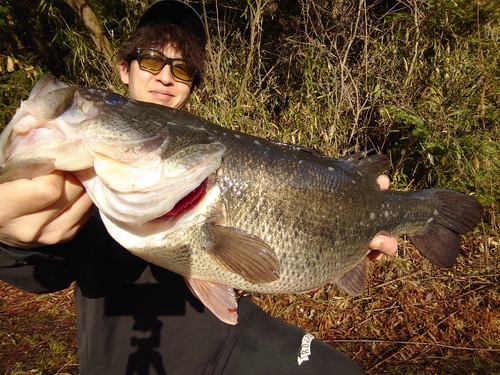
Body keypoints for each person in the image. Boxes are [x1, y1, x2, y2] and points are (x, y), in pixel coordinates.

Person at [0, 1, 397, 374]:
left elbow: (270, 265)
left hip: (230, 337)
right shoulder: (93, 166)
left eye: (183, 68)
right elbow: (43, 275)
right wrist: (15, 242)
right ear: (125, 68)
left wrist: (336, 249)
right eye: (153, 59)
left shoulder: (215, 151)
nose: (166, 76)